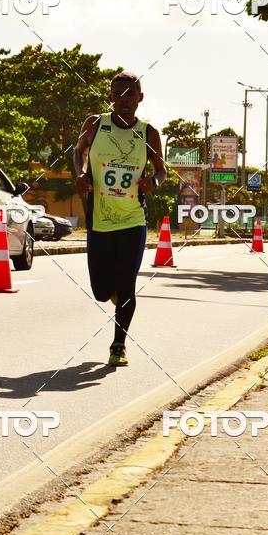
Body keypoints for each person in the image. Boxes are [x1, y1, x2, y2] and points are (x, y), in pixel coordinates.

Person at [74, 72, 166, 366]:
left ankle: (118, 345)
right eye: (118, 94)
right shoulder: (94, 124)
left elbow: (161, 169)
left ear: (140, 98)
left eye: (130, 94)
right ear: (110, 97)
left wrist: (154, 181)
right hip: (99, 219)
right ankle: (113, 291)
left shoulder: (148, 133)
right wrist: (81, 173)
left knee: (127, 284)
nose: (124, 100)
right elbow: (79, 152)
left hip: (132, 220)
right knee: (101, 292)